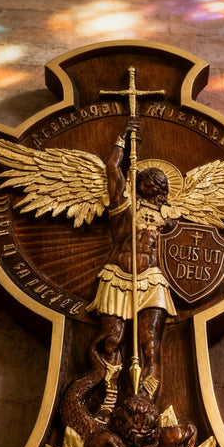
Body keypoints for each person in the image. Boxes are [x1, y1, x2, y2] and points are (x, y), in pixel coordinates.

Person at [86, 118, 177, 409]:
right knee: (111, 341)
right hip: (118, 277)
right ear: (140, 184)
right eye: (148, 180)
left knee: (149, 343)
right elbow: (112, 168)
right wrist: (122, 138)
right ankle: (109, 395)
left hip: (151, 280)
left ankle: (146, 401)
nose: (153, 184)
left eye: (158, 182)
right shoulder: (123, 206)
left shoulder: (169, 219)